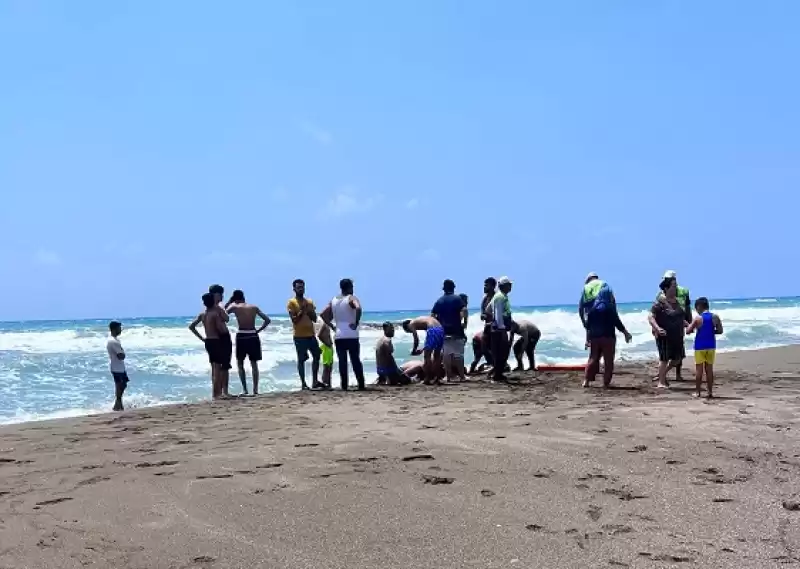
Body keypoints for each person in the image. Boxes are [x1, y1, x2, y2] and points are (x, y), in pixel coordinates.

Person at [579, 274, 633, 387]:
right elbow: (616, 321)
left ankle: (586, 381)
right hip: (608, 336)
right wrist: (625, 333)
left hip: (595, 336)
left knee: (593, 358)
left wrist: (587, 338)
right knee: (608, 361)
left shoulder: (592, 310)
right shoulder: (609, 304)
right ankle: (606, 383)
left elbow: (587, 323)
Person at [321, 279, 366, 391]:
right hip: (351, 334)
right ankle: (361, 384)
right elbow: (358, 308)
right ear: (350, 287)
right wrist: (356, 323)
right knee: (355, 360)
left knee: (342, 362)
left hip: (339, 335)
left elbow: (323, 315)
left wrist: (332, 326)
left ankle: (344, 386)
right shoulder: (351, 298)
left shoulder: (334, 300)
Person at [225, 289, 271, 396]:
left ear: (235, 299)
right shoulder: (253, 307)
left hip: (242, 335)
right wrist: (258, 330)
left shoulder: (234, 306)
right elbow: (267, 320)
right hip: (253, 335)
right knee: (254, 364)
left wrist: (229, 302)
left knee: (240, 363)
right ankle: (255, 390)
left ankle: (245, 390)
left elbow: (222, 314)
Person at [189, 292, 232, 399]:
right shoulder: (215, 314)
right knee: (218, 369)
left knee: (214, 368)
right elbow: (220, 328)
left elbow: (191, 326)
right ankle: (217, 395)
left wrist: (202, 338)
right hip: (217, 341)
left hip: (208, 341)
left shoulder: (202, 314)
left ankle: (215, 394)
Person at [649, 278, 687, 389]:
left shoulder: (678, 301)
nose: (676, 288)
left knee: (678, 358)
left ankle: (662, 374)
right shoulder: (660, 302)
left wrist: (688, 325)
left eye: (676, 285)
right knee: (664, 359)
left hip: (677, 334)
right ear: (666, 288)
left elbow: (679, 317)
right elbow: (651, 317)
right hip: (664, 335)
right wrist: (657, 328)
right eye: (673, 286)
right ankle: (661, 382)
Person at [286, 279, 324, 390]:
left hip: (310, 334)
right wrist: (301, 311)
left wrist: (310, 312)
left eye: (302, 287)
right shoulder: (292, 302)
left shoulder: (309, 302)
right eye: (298, 287)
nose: (301, 289)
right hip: (299, 335)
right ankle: (303, 383)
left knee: (317, 355)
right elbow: (294, 320)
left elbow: (314, 318)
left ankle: (315, 381)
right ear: (294, 289)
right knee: (301, 359)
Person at [685, 297, 724, 398]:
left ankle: (698, 392)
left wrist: (689, 326)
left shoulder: (698, 318)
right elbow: (720, 331)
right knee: (709, 370)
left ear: (699, 307)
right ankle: (710, 392)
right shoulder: (715, 317)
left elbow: (688, 331)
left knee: (699, 370)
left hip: (700, 346)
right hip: (711, 345)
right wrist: (711, 332)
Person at [657, 270, 692, 381]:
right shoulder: (683, 290)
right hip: (672, 325)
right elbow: (687, 308)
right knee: (671, 354)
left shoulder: (661, 294)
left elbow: (685, 307)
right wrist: (689, 321)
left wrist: (687, 322)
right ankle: (676, 374)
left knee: (675, 354)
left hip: (677, 322)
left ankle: (666, 374)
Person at [432, 280, 467, 383]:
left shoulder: (439, 301)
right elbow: (464, 310)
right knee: (458, 355)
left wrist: (438, 326)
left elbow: (433, 316)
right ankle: (462, 376)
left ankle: (448, 377)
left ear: (444, 289)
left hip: (444, 331)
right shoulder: (457, 299)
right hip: (457, 331)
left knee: (446, 355)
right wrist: (465, 322)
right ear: (453, 288)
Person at [402, 315, 444, 385]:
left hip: (433, 330)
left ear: (407, 327)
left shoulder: (411, 324)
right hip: (441, 329)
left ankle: (427, 379)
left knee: (427, 357)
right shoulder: (421, 321)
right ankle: (437, 378)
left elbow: (416, 339)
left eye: (409, 331)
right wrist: (424, 348)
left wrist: (414, 350)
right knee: (437, 356)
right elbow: (432, 339)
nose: (411, 332)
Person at [208, 284, 232, 396]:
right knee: (223, 366)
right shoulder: (216, 307)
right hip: (222, 337)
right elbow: (227, 319)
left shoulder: (211, 307)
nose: (222, 296)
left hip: (215, 339)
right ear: (215, 295)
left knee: (217, 367)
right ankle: (222, 392)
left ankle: (219, 392)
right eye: (220, 294)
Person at [489, 276, 513, 382]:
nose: (511, 287)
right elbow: (498, 314)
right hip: (499, 330)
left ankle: (498, 374)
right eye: (509, 285)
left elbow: (488, 309)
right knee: (501, 353)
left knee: (500, 353)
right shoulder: (500, 297)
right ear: (504, 286)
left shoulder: (499, 296)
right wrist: (501, 327)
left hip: (498, 328)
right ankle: (497, 376)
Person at [106, 321, 128, 411]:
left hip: (118, 367)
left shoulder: (115, 340)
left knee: (123, 384)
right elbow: (121, 356)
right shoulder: (113, 341)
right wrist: (123, 352)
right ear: (114, 329)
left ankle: (118, 404)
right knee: (120, 385)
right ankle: (118, 404)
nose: (120, 329)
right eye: (119, 328)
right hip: (116, 367)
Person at [479, 278, 497, 368]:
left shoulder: (496, 297)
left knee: (495, 348)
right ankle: (491, 364)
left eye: (487, 285)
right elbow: (483, 313)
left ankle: (496, 366)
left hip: (496, 327)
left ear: (493, 286)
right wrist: (483, 316)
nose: (484, 287)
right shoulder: (485, 299)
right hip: (487, 327)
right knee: (484, 347)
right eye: (484, 285)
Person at [316, 320, 334, 388]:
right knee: (327, 366)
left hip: (329, 347)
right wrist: (326, 343)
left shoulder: (326, 325)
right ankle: (325, 383)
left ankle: (328, 383)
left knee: (329, 366)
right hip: (327, 347)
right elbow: (319, 335)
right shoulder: (324, 325)